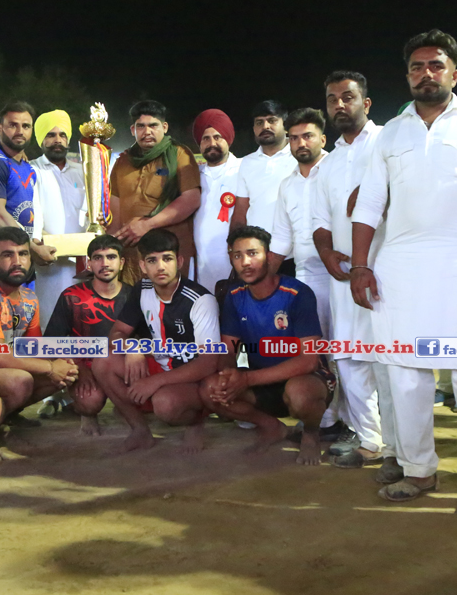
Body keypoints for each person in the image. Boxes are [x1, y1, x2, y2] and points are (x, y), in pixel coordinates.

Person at [351, 30, 457, 519]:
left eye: (436, 65)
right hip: (400, 267)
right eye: (417, 67)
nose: (426, 74)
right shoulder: (391, 133)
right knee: (406, 373)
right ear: (407, 76)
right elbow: (369, 203)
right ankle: (419, 469)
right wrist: (360, 265)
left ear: (454, 74)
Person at [201, 226, 334, 465]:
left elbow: (309, 360)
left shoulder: (297, 293)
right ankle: (272, 427)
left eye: (253, 253)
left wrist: (246, 379)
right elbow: (229, 349)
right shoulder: (234, 295)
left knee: (300, 394)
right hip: (261, 381)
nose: (245, 262)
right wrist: (228, 374)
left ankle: (311, 433)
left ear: (269, 257)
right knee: (211, 389)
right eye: (237, 255)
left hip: (305, 379)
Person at [311, 72, 388, 469]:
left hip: (387, 269)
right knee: (349, 357)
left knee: (390, 357)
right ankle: (371, 440)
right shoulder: (328, 163)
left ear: (366, 103)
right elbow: (319, 220)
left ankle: (401, 445)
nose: (339, 105)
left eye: (348, 97)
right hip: (343, 273)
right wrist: (326, 253)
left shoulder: (388, 143)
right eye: (332, 99)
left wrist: (376, 191)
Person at [91, 229, 219, 453]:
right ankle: (140, 431)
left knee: (166, 404)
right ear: (143, 266)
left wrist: (155, 382)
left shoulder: (200, 300)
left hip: (193, 377)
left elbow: (208, 363)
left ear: (179, 262)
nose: (160, 267)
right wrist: (133, 347)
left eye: (167, 259)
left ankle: (195, 422)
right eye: (152, 260)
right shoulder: (142, 289)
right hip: (160, 364)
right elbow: (117, 333)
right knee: (103, 362)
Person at [0, 226, 78, 458]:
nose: (17, 261)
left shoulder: (29, 297)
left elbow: (33, 346)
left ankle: (7, 415)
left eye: (23, 254)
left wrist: (62, 361)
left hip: (7, 365)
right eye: (8, 255)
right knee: (20, 381)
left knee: (66, 370)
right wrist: (50, 367)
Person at [45, 234, 133, 435]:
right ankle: (87, 414)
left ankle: (124, 406)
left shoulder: (134, 297)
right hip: (85, 365)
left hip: (121, 365)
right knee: (89, 401)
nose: (105, 263)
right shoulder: (71, 296)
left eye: (111, 257)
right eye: (98, 258)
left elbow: (147, 338)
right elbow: (51, 342)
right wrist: (80, 367)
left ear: (122, 263)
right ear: (89, 263)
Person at [108, 101, 202, 284]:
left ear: (164, 127)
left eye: (153, 125)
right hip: (132, 255)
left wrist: (147, 225)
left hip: (168, 254)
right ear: (133, 130)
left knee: (170, 300)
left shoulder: (179, 155)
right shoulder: (123, 161)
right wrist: (111, 247)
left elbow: (191, 199)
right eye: (141, 126)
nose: (147, 131)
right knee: (133, 298)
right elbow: (115, 207)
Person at [268, 108, 331, 354]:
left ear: (322, 139)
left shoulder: (336, 172)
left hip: (343, 274)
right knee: (312, 353)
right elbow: (282, 238)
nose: (300, 143)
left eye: (307, 136)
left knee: (351, 355)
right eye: (294, 138)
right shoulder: (287, 185)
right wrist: (263, 281)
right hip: (306, 277)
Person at [0, 101, 54, 262]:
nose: (20, 132)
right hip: (0, 259)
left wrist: (36, 244)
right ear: (0, 129)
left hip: (22, 256)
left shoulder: (28, 167)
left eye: (26, 126)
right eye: (13, 125)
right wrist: (32, 249)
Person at [32, 110, 87, 329]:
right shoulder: (32, 170)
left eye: (62, 135)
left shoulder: (84, 172)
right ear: (41, 140)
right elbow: (31, 215)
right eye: (51, 135)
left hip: (83, 262)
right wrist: (40, 244)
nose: (57, 140)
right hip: (50, 260)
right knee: (51, 319)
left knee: (83, 321)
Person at [231, 100, 298, 242]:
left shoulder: (300, 156)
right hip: (257, 247)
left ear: (286, 125)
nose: (265, 126)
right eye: (259, 122)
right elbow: (241, 209)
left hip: (295, 247)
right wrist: (234, 243)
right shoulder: (247, 163)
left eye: (272, 121)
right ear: (254, 128)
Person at [190, 109, 242, 290]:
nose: (212, 143)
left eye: (217, 137)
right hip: (201, 265)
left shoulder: (244, 169)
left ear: (228, 139)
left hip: (237, 264)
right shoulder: (194, 176)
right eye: (206, 138)